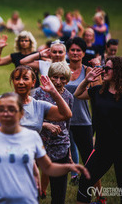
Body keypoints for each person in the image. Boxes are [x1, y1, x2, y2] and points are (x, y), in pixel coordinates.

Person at [0, 92, 88, 204]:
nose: (6, 113)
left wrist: (69, 167)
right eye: (1, 110)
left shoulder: (31, 137)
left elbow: (47, 168)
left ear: (21, 113)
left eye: (12, 109)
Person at [75, 57, 122, 204]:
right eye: (103, 66)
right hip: (102, 148)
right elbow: (78, 94)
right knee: (85, 182)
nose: (103, 70)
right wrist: (87, 80)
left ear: (118, 72)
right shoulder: (98, 91)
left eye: (107, 68)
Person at [0, 65, 72, 133]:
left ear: (33, 82)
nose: (21, 82)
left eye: (25, 79)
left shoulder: (39, 106)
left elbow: (66, 114)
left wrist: (54, 92)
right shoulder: (2, 102)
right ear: (13, 81)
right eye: (17, 79)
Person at [33, 62, 74, 202]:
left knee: (58, 192)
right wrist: (45, 124)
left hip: (60, 145)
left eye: (62, 78)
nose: (58, 81)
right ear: (49, 77)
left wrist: (68, 152)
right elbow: (31, 117)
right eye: (55, 77)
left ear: (67, 80)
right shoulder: (39, 93)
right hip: (39, 143)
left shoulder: (68, 97)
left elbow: (67, 125)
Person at [64, 37, 102, 187]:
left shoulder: (88, 71)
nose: (75, 53)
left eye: (78, 50)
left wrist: (95, 72)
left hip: (83, 121)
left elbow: (99, 91)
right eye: (72, 50)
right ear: (68, 52)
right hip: (63, 120)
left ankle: (100, 196)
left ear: (83, 53)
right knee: (58, 159)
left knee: (90, 161)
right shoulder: (62, 69)